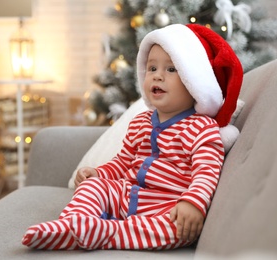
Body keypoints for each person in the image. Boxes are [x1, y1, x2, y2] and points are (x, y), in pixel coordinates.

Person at [22, 23, 243, 250]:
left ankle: (104, 232)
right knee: (93, 187)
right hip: (127, 196)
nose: (158, 76)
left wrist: (192, 203)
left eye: (171, 70)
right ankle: (69, 225)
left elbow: (207, 172)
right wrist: (99, 173)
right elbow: (123, 161)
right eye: (152, 68)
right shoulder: (140, 122)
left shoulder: (201, 127)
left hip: (167, 207)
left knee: (176, 230)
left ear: (193, 81)